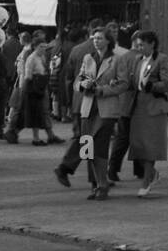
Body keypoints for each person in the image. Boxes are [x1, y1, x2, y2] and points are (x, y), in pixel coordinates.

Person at [76, 28, 128, 200]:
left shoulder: (117, 59)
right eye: (94, 38)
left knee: (99, 145)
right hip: (88, 107)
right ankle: (97, 183)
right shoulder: (88, 58)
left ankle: (103, 185)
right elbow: (78, 80)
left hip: (106, 109)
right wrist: (84, 85)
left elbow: (123, 84)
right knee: (87, 147)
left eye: (100, 38)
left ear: (108, 41)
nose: (96, 41)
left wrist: (102, 90)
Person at [54, 24, 100, 188]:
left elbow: (68, 78)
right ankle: (72, 169)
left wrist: (67, 103)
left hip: (78, 100)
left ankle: (92, 176)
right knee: (88, 139)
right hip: (92, 101)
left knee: (86, 138)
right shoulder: (100, 52)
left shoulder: (76, 50)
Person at [128, 30, 168, 197]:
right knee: (137, 144)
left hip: (154, 106)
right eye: (137, 45)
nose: (139, 48)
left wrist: (151, 86)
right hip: (138, 105)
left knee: (150, 145)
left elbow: (167, 83)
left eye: (142, 44)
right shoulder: (137, 60)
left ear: (152, 44)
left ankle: (146, 180)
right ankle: (152, 173)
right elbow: (133, 82)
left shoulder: (162, 59)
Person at [105, 22, 136, 185]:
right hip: (114, 103)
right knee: (121, 138)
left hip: (119, 103)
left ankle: (101, 175)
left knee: (127, 137)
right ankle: (102, 174)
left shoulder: (123, 54)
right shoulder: (124, 56)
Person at [23, 39, 58, 145]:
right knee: (36, 113)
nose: (43, 49)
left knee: (44, 111)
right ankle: (36, 138)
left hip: (42, 87)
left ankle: (50, 135)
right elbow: (28, 75)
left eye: (44, 46)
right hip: (35, 88)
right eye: (41, 47)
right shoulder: (31, 58)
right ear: (35, 47)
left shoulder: (42, 57)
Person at [3, 30, 32, 142]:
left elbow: (22, 67)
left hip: (21, 82)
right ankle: (11, 130)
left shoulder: (26, 51)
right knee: (18, 107)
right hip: (21, 81)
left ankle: (11, 130)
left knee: (17, 107)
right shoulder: (26, 51)